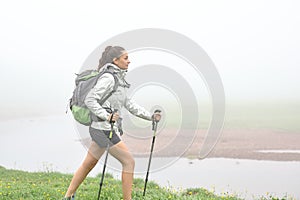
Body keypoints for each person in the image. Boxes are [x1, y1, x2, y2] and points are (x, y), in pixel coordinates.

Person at [63, 46, 161, 200]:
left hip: (103, 128)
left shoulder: (119, 80)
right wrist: (107, 115)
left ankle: (68, 196)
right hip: (103, 128)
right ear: (115, 60)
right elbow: (90, 100)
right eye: (125, 58)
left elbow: (129, 104)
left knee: (88, 163)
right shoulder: (108, 78)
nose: (129, 61)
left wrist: (150, 116)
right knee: (129, 162)